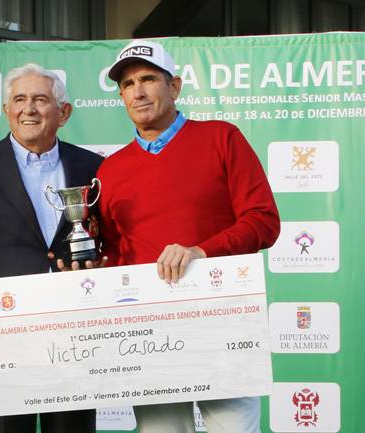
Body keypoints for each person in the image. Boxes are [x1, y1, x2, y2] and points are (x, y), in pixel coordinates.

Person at [96, 40, 281, 433]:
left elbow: (264, 221)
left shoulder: (222, 138)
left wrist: (201, 250)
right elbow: (112, 254)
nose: (138, 91)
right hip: (147, 332)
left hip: (222, 323)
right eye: (127, 84)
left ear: (175, 87)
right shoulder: (110, 171)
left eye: (148, 79)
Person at [0, 63, 103, 433]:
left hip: (74, 339)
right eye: (20, 99)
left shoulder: (92, 166)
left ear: (63, 113)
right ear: (6, 110)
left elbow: (105, 241)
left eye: (41, 99)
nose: (29, 109)